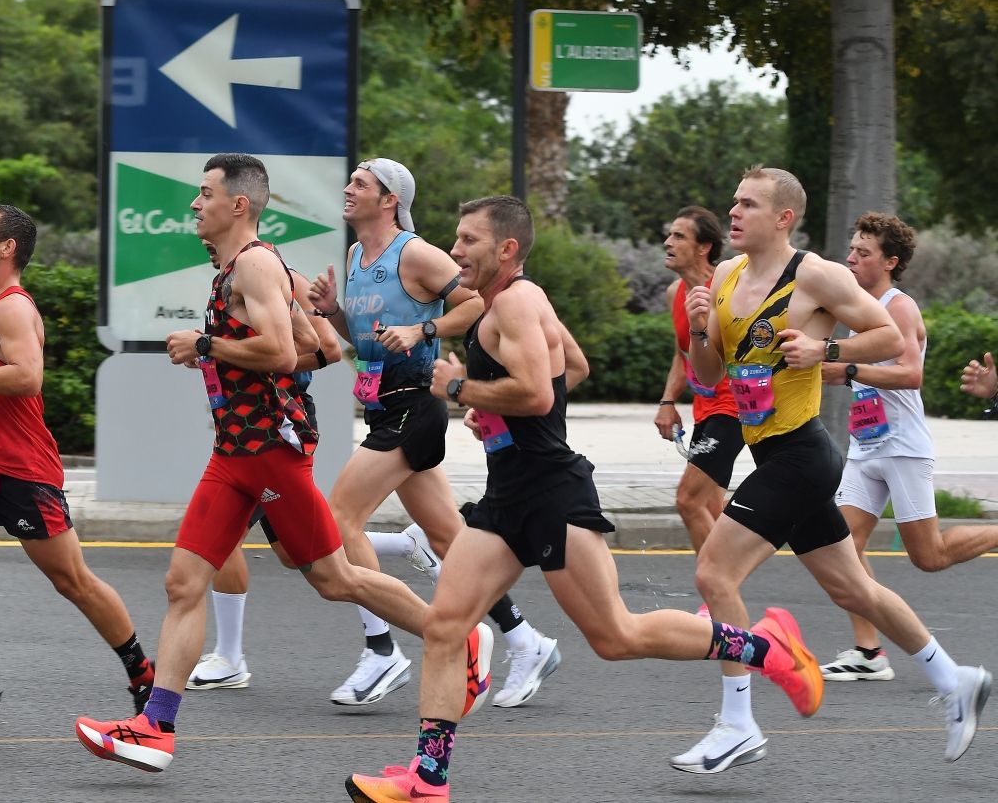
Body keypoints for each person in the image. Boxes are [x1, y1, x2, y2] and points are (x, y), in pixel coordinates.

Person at [346, 195, 822, 803]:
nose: (456, 250)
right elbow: (572, 365)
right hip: (507, 493)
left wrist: (466, 389)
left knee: (615, 636)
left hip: (550, 494)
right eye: (456, 239)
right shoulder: (511, 303)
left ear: (507, 249)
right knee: (445, 626)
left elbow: (539, 397)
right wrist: (493, 409)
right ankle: (427, 779)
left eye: (468, 240)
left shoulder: (516, 300)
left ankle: (764, 646)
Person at [74, 153, 493, 775]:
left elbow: (275, 347)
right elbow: (324, 348)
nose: (194, 204)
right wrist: (296, 327)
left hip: (270, 451)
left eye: (205, 194)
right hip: (233, 453)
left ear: (237, 205)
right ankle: (155, 728)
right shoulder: (246, 270)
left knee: (336, 579)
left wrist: (207, 345)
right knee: (183, 583)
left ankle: (458, 638)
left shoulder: (257, 265)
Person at [679, 167, 990, 772]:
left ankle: (737, 723)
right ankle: (959, 680)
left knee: (714, 573)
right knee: (856, 589)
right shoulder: (727, 274)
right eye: (734, 201)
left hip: (802, 455)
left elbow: (889, 340)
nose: (734, 213)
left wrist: (829, 351)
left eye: (748, 204)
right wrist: (696, 329)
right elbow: (711, 374)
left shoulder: (817, 274)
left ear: (783, 217)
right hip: (770, 452)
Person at [309, 157, 560, 710]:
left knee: (340, 518)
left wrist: (423, 327)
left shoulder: (415, 252)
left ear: (390, 199)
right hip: (382, 406)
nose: (348, 189)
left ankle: (381, 651)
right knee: (449, 537)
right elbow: (369, 340)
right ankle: (527, 641)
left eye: (361, 184)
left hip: (416, 404)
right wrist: (333, 315)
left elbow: (471, 304)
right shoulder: (355, 255)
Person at [0, 204, 154, 734]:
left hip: (23, 471)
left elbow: (28, 377)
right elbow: (0, 382)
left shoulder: (13, 308)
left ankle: (145, 679)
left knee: (73, 582)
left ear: (7, 247)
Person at [818, 213, 998, 681]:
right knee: (842, 545)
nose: (852, 258)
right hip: (866, 443)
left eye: (863, 252)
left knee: (929, 556)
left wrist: (848, 370)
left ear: (890, 262)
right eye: (852, 249)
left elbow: (910, 375)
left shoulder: (899, 307)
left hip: (902, 447)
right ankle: (868, 652)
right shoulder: (854, 308)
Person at [188, 243, 344, 690]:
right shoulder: (234, 282)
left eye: (206, 203)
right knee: (295, 556)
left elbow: (326, 349)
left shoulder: (278, 276)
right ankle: (395, 547)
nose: (203, 236)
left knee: (229, 543)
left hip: (276, 423)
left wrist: (264, 366)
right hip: (245, 429)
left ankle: (230, 657)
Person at [655, 207, 744, 562]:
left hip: (735, 408)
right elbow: (684, 355)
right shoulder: (674, 292)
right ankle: (731, 581)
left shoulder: (725, 290)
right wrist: (667, 401)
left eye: (679, 236)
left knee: (688, 500)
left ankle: (717, 588)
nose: (668, 242)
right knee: (709, 505)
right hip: (705, 409)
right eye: (670, 234)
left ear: (704, 247)